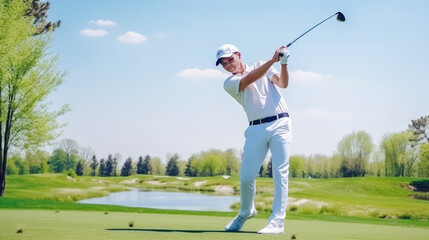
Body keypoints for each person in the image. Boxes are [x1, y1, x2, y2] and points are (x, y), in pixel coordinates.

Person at [216, 44, 292, 235]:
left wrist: (283, 63)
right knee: (246, 177)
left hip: (280, 123)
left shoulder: (262, 65)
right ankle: (246, 211)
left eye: (230, 59)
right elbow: (250, 78)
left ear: (239, 55)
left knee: (280, 172)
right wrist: (272, 60)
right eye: (223, 63)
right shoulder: (230, 83)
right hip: (255, 128)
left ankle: (277, 222)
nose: (227, 65)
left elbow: (283, 84)